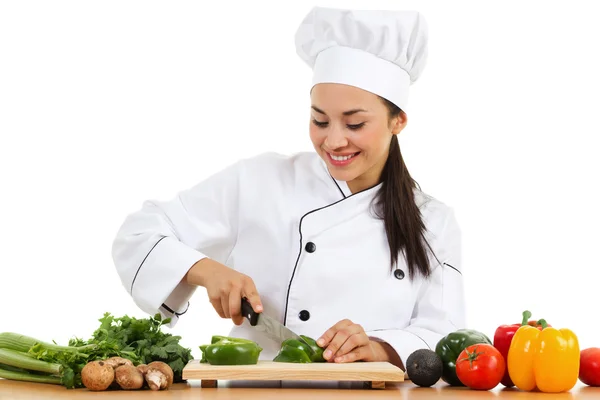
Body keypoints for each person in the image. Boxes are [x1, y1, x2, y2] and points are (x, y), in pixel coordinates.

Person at [112, 6, 465, 373]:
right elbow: (138, 234)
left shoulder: (433, 221)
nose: (334, 140)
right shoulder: (259, 181)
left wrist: (379, 348)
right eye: (319, 120)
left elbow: (448, 335)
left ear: (398, 121)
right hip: (255, 392)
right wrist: (204, 270)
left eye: (355, 123)